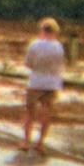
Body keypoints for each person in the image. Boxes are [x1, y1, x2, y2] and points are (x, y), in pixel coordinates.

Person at [20, 17, 65, 154]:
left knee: (29, 113)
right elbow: (59, 65)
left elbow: (28, 63)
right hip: (52, 83)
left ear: (42, 30)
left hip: (35, 81)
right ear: (55, 31)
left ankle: (26, 141)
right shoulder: (58, 46)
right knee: (46, 113)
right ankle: (40, 143)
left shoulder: (35, 44)